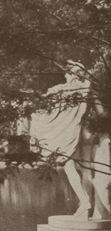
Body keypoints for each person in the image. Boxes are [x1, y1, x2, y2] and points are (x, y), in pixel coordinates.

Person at [29, 61, 110, 220]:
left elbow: (41, 104)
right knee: (86, 169)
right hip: (87, 133)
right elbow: (101, 113)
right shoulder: (88, 89)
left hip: (71, 133)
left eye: (67, 73)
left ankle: (84, 202)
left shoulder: (62, 90)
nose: (65, 75)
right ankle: (87, 207)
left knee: (69, 166)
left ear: (73, 75)